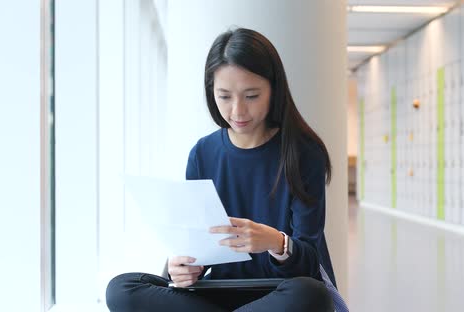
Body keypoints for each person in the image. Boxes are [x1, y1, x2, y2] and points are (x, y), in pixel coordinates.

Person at [106, 28, 344, 311]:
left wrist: (275, 242)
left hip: (279, 293)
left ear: (274, 90)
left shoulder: (304, 153)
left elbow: (308, 261)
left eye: (252, 95)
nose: (238, 111)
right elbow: (197, 244)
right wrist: (180, 268)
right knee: (122, 289)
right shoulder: (202, 154)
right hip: (217, 292)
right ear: (211, 93)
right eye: (225, 96)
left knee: (310, 294)